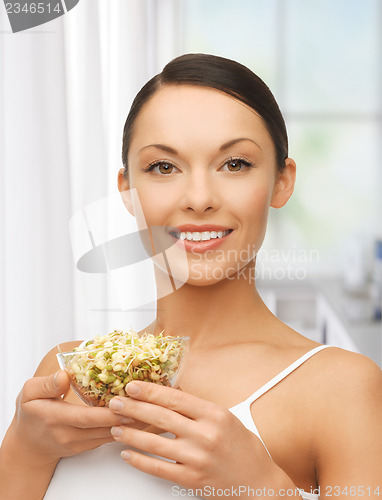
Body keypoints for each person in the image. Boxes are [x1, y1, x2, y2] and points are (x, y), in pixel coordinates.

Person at [1, 53, 381, 500]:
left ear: (282, 181)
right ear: (128, 190)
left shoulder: (341, 388)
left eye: (235, 163)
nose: (199, 198)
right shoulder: (68, 375)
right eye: (163, 167)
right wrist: (25, 450)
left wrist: (264, 489)